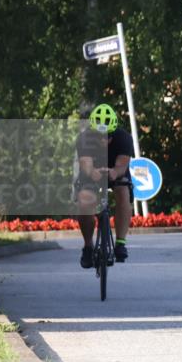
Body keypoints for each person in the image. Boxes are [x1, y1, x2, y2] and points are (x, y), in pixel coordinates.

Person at [76, 104, 134, 268]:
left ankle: (120, 242)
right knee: (85, 200)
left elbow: (122, 165)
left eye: (107, 136)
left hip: (115, 170)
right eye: (99, 135)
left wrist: (114, 172)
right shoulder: (84, 138)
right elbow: (86, 164)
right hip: (92, 171)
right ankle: (88, 246)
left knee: (123, 191)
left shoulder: (123, 137)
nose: (103, 139)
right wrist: (93, 172)